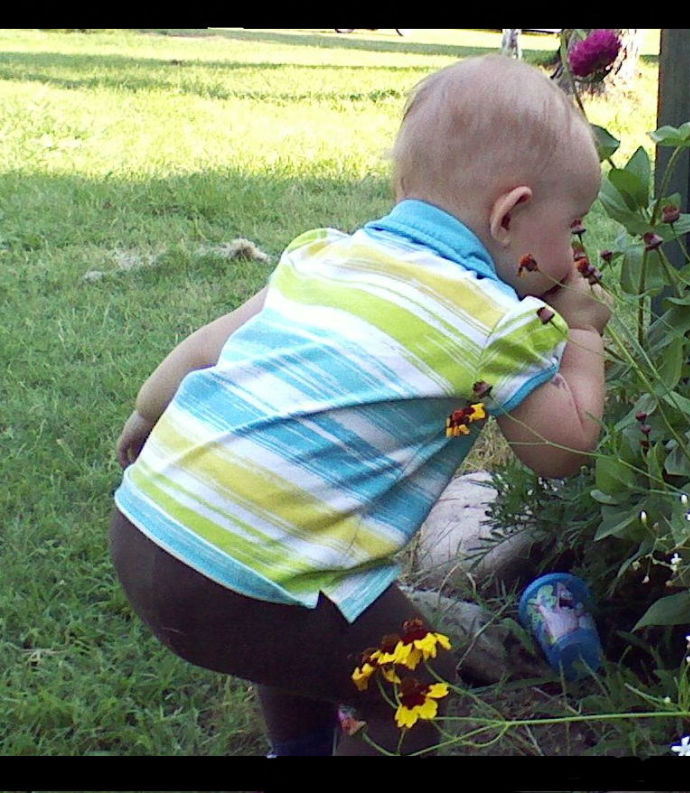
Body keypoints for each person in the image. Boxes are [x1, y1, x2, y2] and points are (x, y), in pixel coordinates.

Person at [108, 54, 609, 756]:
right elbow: (563, 449)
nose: (576, 252)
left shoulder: (324, 256)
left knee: (303, 625)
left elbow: (203, 351)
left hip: (145, 527)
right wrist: (582, 333)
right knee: (415, 672)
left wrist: (144, 412)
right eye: (573, 228)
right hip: (242, 575)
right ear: (510, 215)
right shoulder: (493, 323)